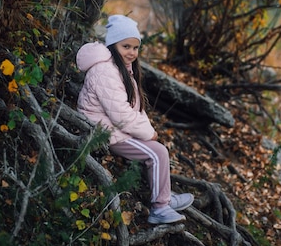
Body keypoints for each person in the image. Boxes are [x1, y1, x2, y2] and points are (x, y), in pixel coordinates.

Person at [76, 14, 194, 224]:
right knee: (157, 153)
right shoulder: (105, 71)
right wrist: (149, 133)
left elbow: (134, 108)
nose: (131, 53)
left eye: (135, 47)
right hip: (104, 132)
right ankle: (160, 209)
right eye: (126, 47)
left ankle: (164, 195)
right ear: (113, 45)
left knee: (154, 146)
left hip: (115, 127)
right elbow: (120, 113)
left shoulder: (122, 69)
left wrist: (148, 132)